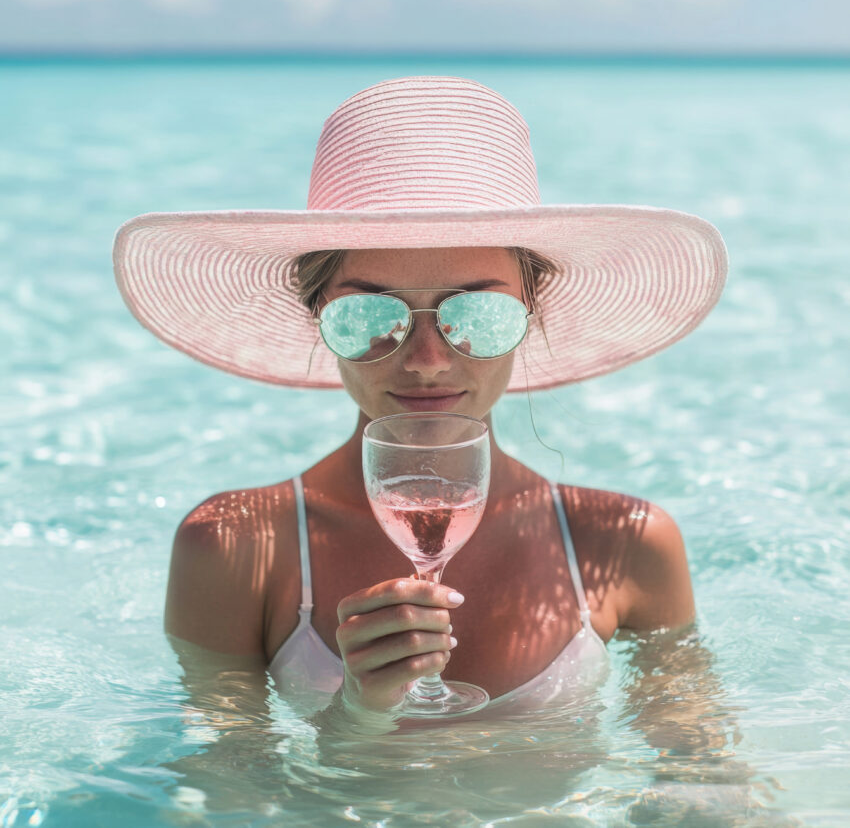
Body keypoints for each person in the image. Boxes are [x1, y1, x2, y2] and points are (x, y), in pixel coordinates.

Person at [113, 76, 728, 722]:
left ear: (532, 311)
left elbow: (700, 769)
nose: (427, 359)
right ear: (317, 315)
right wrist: (355, 720)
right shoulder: (234, 548)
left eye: (478, 311)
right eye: (370, 314)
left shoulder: (626, 545)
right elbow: (223, 782)